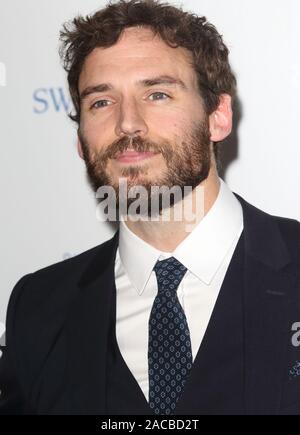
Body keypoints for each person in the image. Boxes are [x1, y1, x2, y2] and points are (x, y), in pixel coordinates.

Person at [1, 0, 300, 415]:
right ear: (80, 140)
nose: (128, 123)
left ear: (218, 116)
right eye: (101, 102)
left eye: (157, 94)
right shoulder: (37, 309)